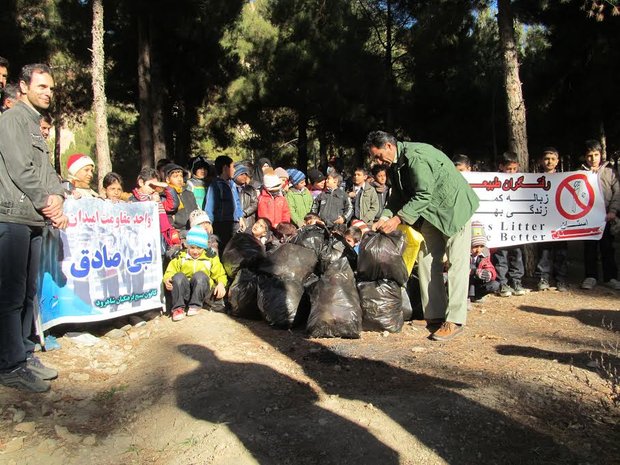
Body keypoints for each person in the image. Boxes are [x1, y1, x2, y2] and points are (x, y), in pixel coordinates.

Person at [365, 130, 479, 342]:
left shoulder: (416, 157)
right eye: (375, 158)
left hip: (454, 209)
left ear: (389, 146)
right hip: (430, 212)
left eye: (379, 155)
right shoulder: (396, 164)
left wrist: (397, 220)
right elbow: (397, 196)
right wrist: (384, 217)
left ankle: (454, 319)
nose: (378, 160)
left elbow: (423, 194)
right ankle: (434, 314)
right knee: (425, 260)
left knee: (457, 263)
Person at [0, 63, 68, 392]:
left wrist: (58, 197)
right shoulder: (12, 119)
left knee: (29, 293)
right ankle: (10, 364)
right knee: (11, 294)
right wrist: (47, 200)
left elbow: (47, 171)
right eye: (41, 86)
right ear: (24, 87)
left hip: (33, 219)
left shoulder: (35, 123)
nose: (47, 93)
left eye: (51, 88)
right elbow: (18, 169)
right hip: (12, 217)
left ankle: (24, 354)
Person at [163, 226, 227, 321]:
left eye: (199, 248)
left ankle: (195, 305)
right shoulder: (180, 256)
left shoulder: (210, 257)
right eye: (192, 247)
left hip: (201, 292)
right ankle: (178, 308)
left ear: (204, 247)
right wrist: (167, 279)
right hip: (185, 292)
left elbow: (220, 274)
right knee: (178, 276)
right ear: (187, 245)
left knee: (200, 276)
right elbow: (170, 271)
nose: (195, 251)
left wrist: (221, 284)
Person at [580, 139, 620, 290]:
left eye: (596, 154)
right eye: (589, 155)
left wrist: (613, 211)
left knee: (607, 247)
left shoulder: (610, 172)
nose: (593, 158)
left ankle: (610, 277)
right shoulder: (580, 173)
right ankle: (590, 277)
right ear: (585, 157)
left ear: (601, 154)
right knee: (589, 248)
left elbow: (617, 193)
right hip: (587, 218)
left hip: (606, 216)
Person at [492, 151, 527, 297]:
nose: (511, 172)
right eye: (508, 169)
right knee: (501, 256)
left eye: (514, 169)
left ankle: (516, 281)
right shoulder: (493, 182)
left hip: (517, 228)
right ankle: (502, 283)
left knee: (517, 255)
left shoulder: (522, 182)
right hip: (500, 228)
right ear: (501, 167)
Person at [535, 148, 568, 292]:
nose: (549, 162)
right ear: (542, 161)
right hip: (543, 223)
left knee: (561, 251)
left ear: (558, 161)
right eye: (547, 158)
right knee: (544, 252)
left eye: (553, 159)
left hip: (560, 223)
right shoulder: (534, 179)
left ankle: (561, 279)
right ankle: (544, 278)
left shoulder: (564, 177)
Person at [205, 155, 245, 252]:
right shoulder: (215, 185)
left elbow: (237, 202)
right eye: (233, 167)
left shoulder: (232, 184)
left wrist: (240, 217)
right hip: (222, 224)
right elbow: (209, 206)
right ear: (225, 168)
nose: (234, 170)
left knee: (234, 250)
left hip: (234, 223)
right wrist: (208, 222)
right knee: (223, 250)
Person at [162, 163, 199, 234]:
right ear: (167, 179)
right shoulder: (165, 195)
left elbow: (195, 210)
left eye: (181, 176)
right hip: (175, 231)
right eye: (175, 176)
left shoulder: (189, 194)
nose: (179, 179)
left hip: (192, 229)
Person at [469, 221, 500, 302]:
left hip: (476, 284)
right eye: (475, 246)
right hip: (462, 284)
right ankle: (466, 297)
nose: (478, 250)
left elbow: (490, 267)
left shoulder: (485, 254)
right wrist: (474, 271)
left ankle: (476, 296)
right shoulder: (462, 253)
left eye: (481, 246)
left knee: (495, 284)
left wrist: (489, 274)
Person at [232, 163, 258, 230]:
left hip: (248, 221)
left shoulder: (251, 189)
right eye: (241, 174)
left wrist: (243, 213)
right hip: (234, 222)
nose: (244, 176)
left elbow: (255, 204)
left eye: (245, 174)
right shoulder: (231, 189)